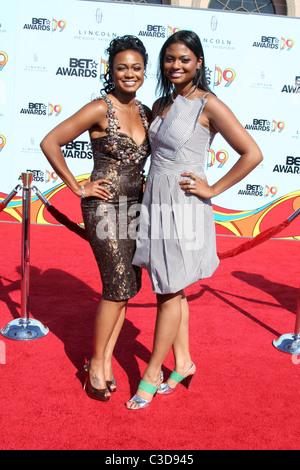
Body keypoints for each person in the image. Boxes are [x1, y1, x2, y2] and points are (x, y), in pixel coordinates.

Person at [126, 30, 263, 410]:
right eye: (169, 59)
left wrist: (214, 188)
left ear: (199, 62)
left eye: (185, 59)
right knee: (172, 286)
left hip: (184, 203)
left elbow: (252, 153)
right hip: (156, 198)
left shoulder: (209, 105)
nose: (176, 66)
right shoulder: (160, 104)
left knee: (168, 289)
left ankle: (152, 372)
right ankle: (183, 363)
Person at [40, 35, 151, 402]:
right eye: (122, 67)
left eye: (136, 67)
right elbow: (50, 141)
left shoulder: (146, 112)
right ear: (111, 70)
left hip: (135, 207)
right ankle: (96, 365)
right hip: (103, 208)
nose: (129, 73)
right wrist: (78, 187)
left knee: (128, 290)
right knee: (117, 285)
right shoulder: (98, 108)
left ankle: (100, 361)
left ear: (144, 71)